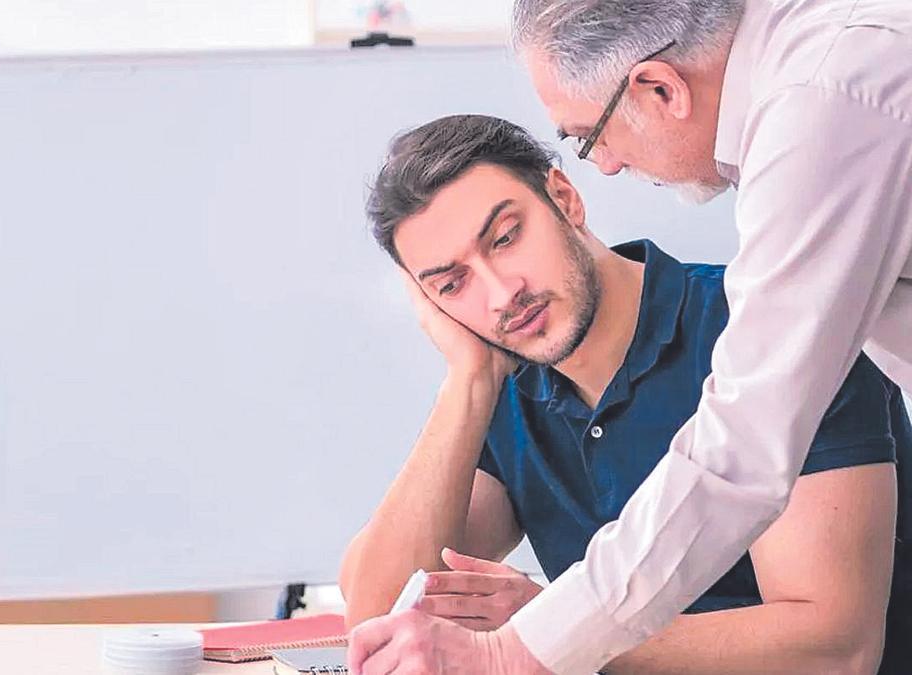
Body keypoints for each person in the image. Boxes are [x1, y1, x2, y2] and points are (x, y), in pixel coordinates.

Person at [348, 2, 912, 672]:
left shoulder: (818, 119)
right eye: (449, 283)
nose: (607, 164)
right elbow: (380, 615)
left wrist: (532, 638)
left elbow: (745, 471)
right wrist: (469, 378)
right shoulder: (515, 386)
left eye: (506, 238)